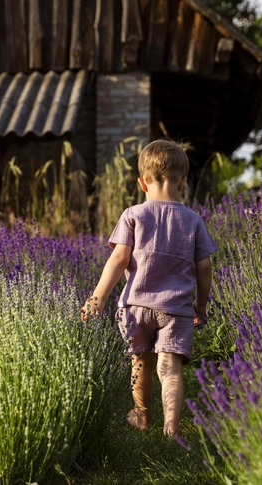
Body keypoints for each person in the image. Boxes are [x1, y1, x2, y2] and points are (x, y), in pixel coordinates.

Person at [81, 139, 218, 438]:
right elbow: (204, 267)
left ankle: (143, 417)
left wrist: (98, 298)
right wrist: (201, 304)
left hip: (135, 306)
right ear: (183, 182)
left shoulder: (134, 215)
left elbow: (119, 259)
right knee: (170, 369)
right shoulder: (193, 220)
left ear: (142, 183)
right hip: (176, 309)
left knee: (140, 362)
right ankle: (172, 427)